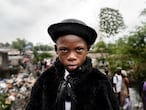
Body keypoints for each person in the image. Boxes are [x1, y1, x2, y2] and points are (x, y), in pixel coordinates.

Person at [25, 19, 119, 110]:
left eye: (79, 49)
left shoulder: (100, 81)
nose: (71, 57)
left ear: (87, 49)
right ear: (56, 49)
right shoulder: (45, 80)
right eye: (64, 50)